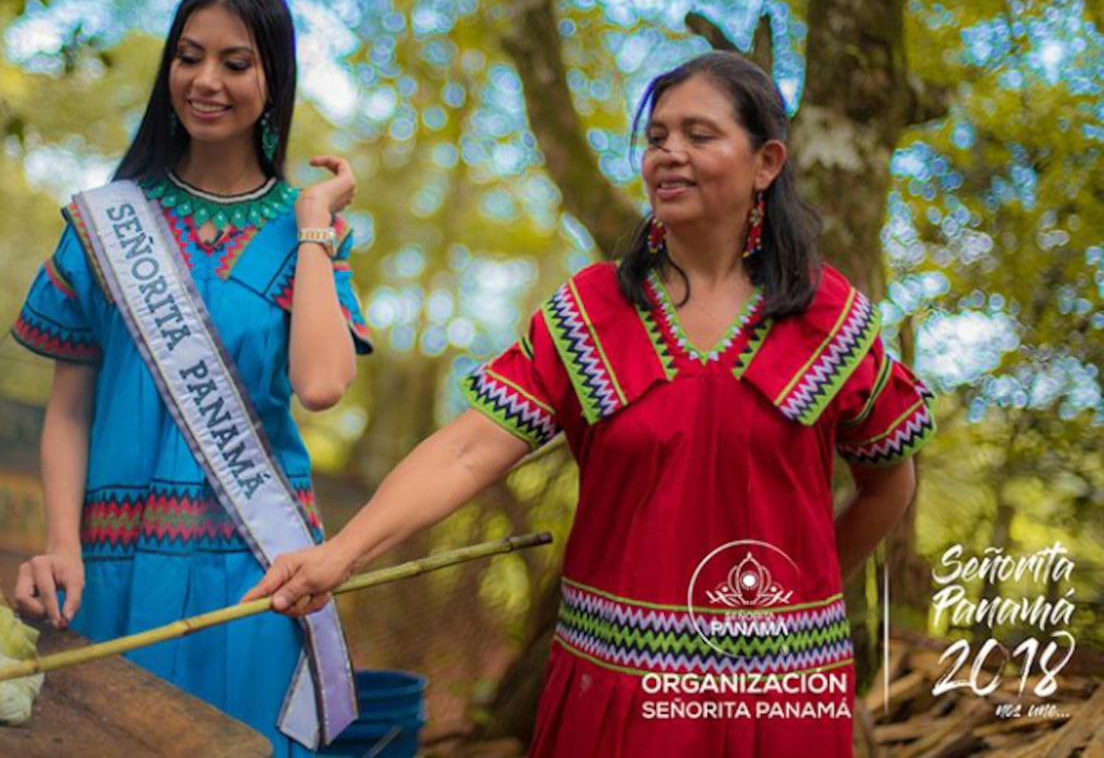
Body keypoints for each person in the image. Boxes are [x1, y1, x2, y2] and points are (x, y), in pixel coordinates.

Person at [245, 51, 934, 757]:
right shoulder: (590, 313)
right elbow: (466, 447)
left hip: (780, 700)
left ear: (766, 163)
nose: (669, 153)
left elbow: (890, 484)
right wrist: (343, 553)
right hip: (618, 697)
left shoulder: (830, 320)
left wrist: (795, 593)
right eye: (658, 136)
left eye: (700, 135)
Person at [11, 0, 372, 756]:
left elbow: (322, 384)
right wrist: (59, 543)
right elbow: (69, 409)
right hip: (109, 568)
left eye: (236, 63)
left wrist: (312, 222)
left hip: (252, 576)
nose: (206, 81)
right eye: (189, 56)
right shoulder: (103, 224)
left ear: (273, 79)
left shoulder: (305, 234)